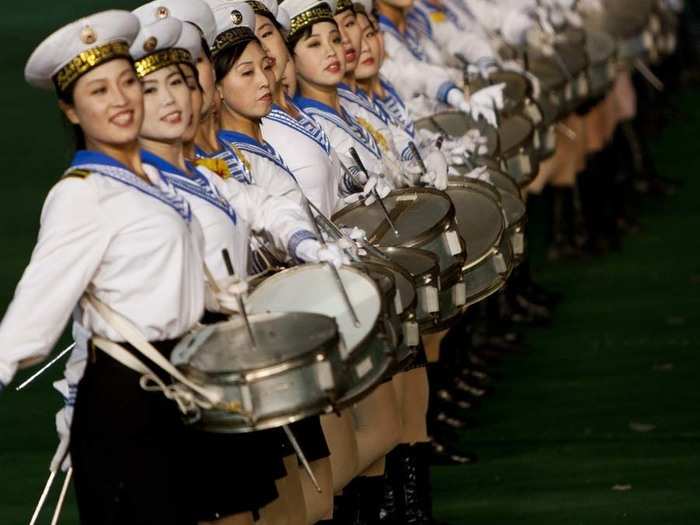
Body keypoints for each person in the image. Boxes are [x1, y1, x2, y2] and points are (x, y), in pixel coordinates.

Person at [4, 11, 208, 524]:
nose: (120, 100)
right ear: (71, 111)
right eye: (98, 91)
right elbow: (32, 317)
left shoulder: (154, 182)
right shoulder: (82, 196)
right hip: (125, 401)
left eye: (125, 83)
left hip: (177, 390)